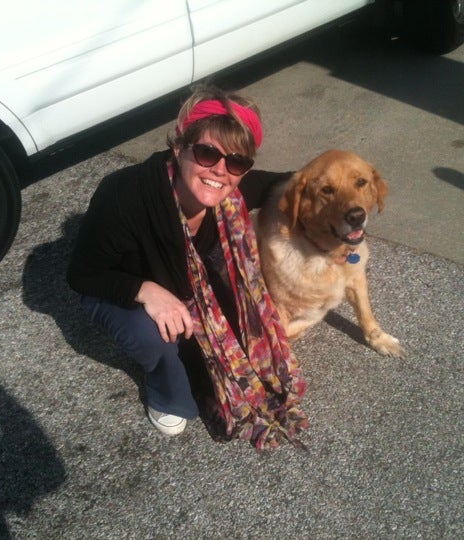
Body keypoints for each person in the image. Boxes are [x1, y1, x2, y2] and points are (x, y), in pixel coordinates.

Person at [67, 85, 307, 448]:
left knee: (241, 312)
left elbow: (289, 181)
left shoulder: (231, 193)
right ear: (180, 147)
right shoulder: (124, 195)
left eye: (237, 162)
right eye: (207, 153)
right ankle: (166, 391)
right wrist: (145, 291)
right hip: (118, 284)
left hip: (182, 282)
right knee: (156, 338)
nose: (220, 171)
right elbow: (83, 274)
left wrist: (339, 193)